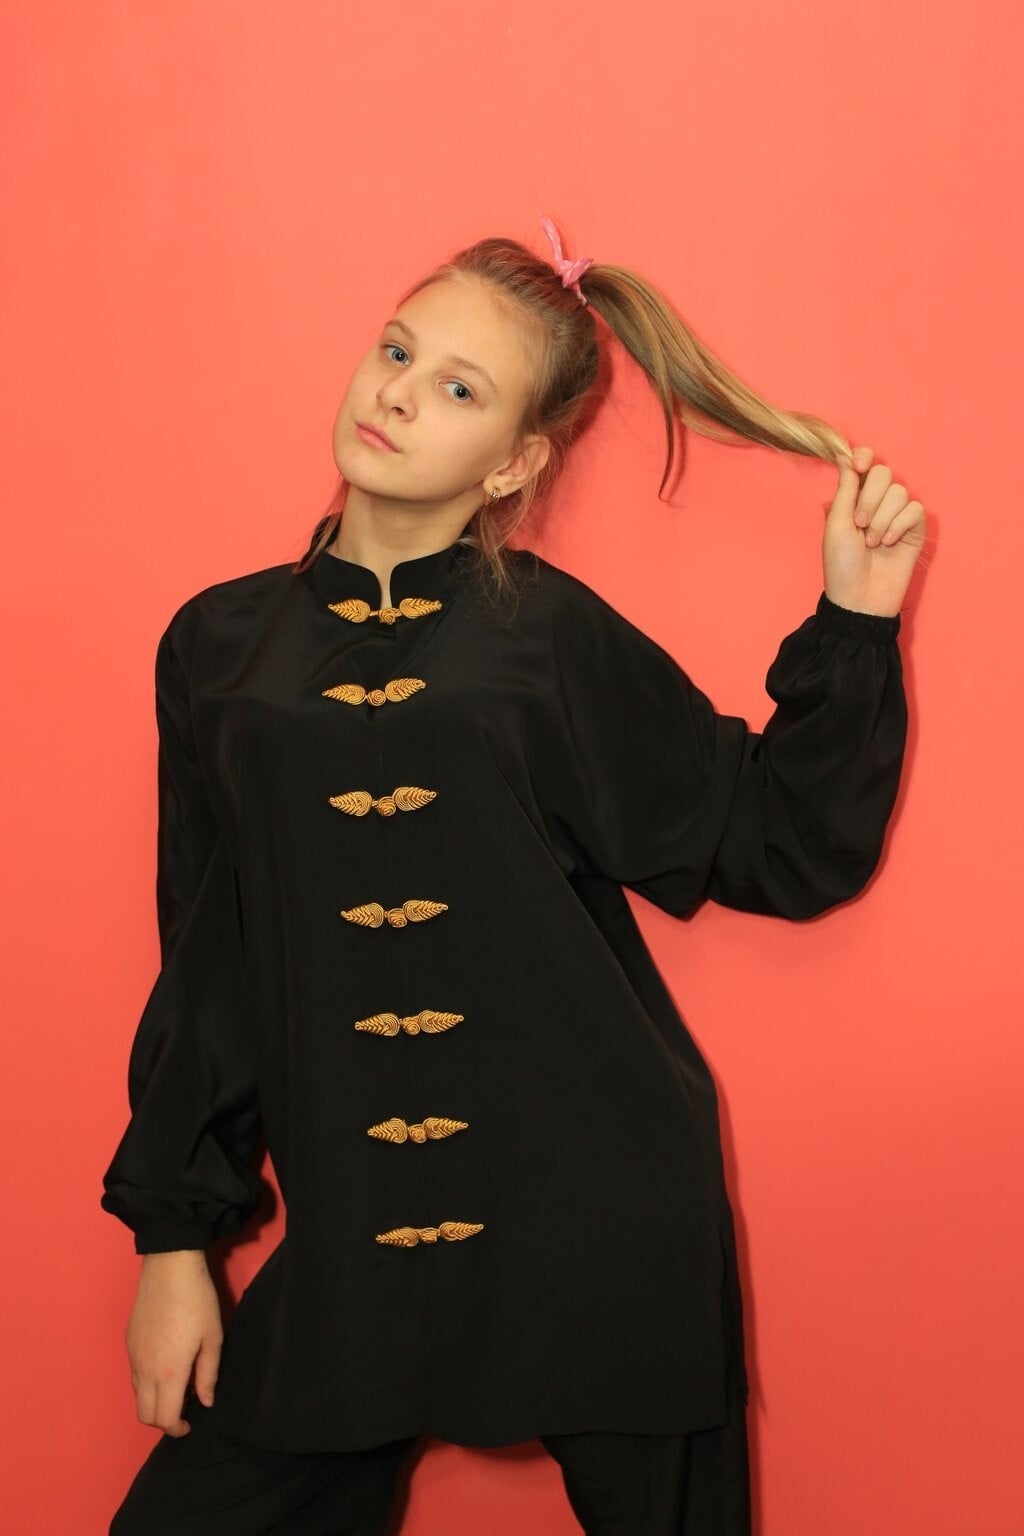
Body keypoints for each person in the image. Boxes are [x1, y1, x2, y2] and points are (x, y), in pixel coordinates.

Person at [100, 216, 925, 1535]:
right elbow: (207, 959)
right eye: (396, 351)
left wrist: (858, 619)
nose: (397, 395)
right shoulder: (215, 648)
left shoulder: (545, 637)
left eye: (457, 389)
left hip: (602, 1221)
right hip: (357, 1243)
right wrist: (172, 1241)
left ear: (515, 461)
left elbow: (775, 839)